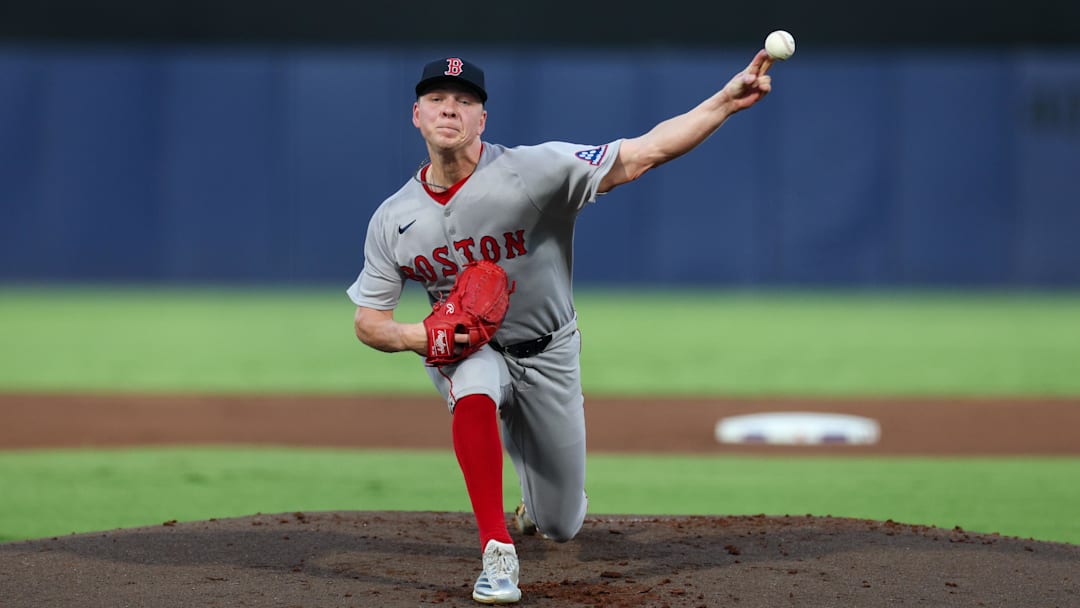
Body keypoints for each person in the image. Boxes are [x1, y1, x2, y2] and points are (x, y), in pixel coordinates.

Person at [347, 50, 775, 604]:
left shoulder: (533, 171)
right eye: (436, 99)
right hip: (469, 350)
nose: (449, 110)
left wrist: (723, 103)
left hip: (550, 352)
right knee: (471, 379)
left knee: (561, 523)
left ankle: (535, 505)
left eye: (464, 101)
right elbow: (368, 321)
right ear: (416, 115)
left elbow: (642, 154)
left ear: (483, 119)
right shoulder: (393, 218)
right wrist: (421, 336)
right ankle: (496, 552)